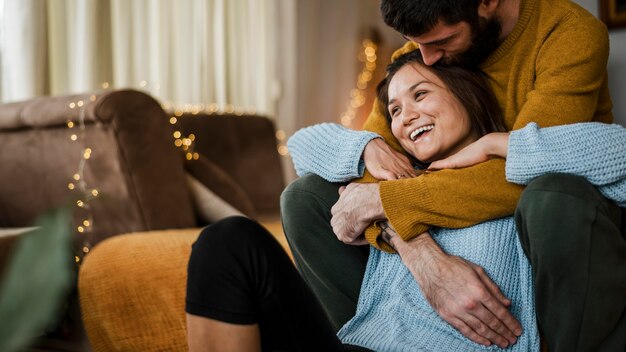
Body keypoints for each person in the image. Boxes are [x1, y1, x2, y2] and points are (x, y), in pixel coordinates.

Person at [185, 50, 626, 351]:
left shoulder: (515, 181)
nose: (405, 115)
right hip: (363, 343)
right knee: (226, 242)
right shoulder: (395, 185)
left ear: (466, 95)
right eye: (395, 110)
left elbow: (618, 152)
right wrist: (367, 147)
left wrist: (494, 145)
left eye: (420, 95)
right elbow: (303, 145)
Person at [281, 0, 624, 351]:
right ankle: (373, 335)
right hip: (447, 218)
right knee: (305, 198)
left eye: (442, 41)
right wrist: (423, 257)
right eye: (416, 43)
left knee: (550, 197)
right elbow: (369, 180)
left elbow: (533, 169)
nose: (427, 57)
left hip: (559, 210)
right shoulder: (421, 52)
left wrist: (390, 200)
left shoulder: (567, 32)